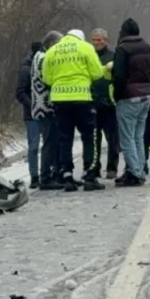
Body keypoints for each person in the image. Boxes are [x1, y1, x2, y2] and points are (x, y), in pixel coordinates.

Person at [42, 29, 106, 191]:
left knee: (65, 139)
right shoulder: (85, 48)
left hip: (60, 100)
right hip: (82, 98)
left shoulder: (52, 51)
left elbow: (47, 78)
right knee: (88, 137)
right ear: (81, 38)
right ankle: (90, 175)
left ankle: (67, 176)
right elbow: (98, 73)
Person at [111, 18, 150, 186]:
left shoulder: (123, 50)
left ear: (124, 32)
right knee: (138, 136)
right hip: (146, 96)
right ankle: (140, 169)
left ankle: (135, 173)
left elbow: (119, 76)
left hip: (128, 97)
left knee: (127, 138)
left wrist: (117, 95)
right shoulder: (149, 48)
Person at [32, 31, 64, 190]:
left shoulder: (40, 55)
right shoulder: (43, 58)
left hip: (44, 107)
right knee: (49, 143)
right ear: (52, 44)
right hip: (45, 107)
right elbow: (48, 79)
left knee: (53, 142)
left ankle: (54, 174)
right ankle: (45, 177)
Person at [90, 28, 120, 179]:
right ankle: (94, 167)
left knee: (113, 139)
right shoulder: (88, 56)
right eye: (94, 40)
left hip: (109, 104)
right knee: (94, 140)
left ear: (106, 41)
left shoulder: (113, 56)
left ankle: (112, 168)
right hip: (92, 103)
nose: (97, 42)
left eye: (99, 39)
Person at [15, 41, 44, 188]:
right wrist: (34, 104)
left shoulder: (45, 65)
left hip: (46, 112)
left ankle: (46, 173)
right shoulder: (25, 69)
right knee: (34, 146)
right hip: (31, 114)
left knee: (47, 145)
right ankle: (34, 176)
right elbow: (20, 92)